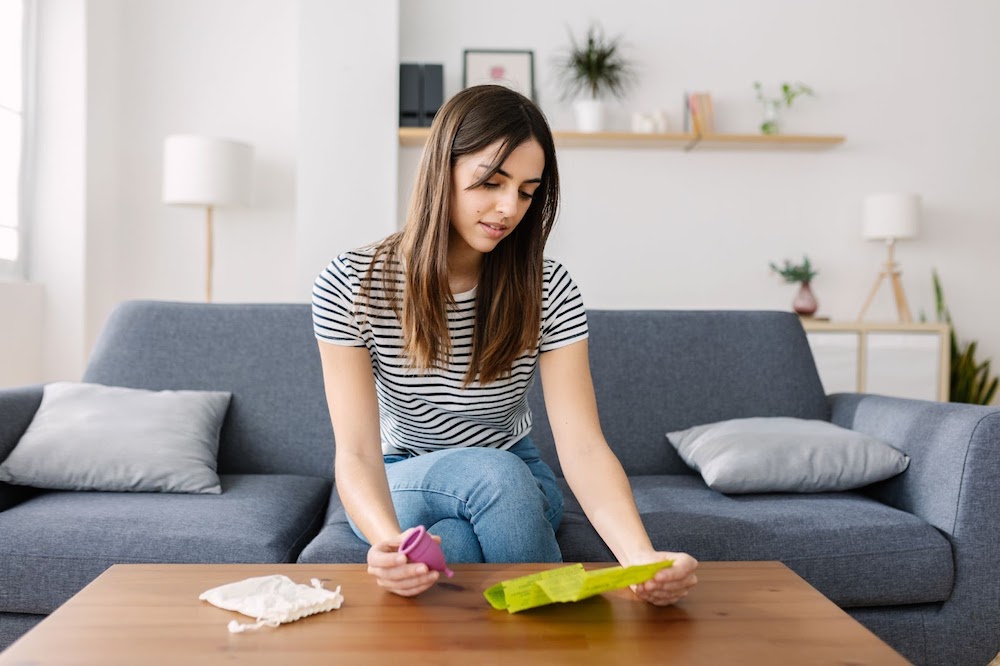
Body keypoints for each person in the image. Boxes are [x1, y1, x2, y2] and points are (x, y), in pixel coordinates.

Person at [312, 84, 698, 605]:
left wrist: (640, 559)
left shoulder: (548, 287)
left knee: (469, 538)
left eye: (526, 190)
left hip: (519, 474)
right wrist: (389, 544)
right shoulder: (354, 283)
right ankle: (563, 643)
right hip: (401, 475)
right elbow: (357, 453)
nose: (507, 208)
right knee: (492, 475)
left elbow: (582, 446)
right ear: (440, 171)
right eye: (490, 182)